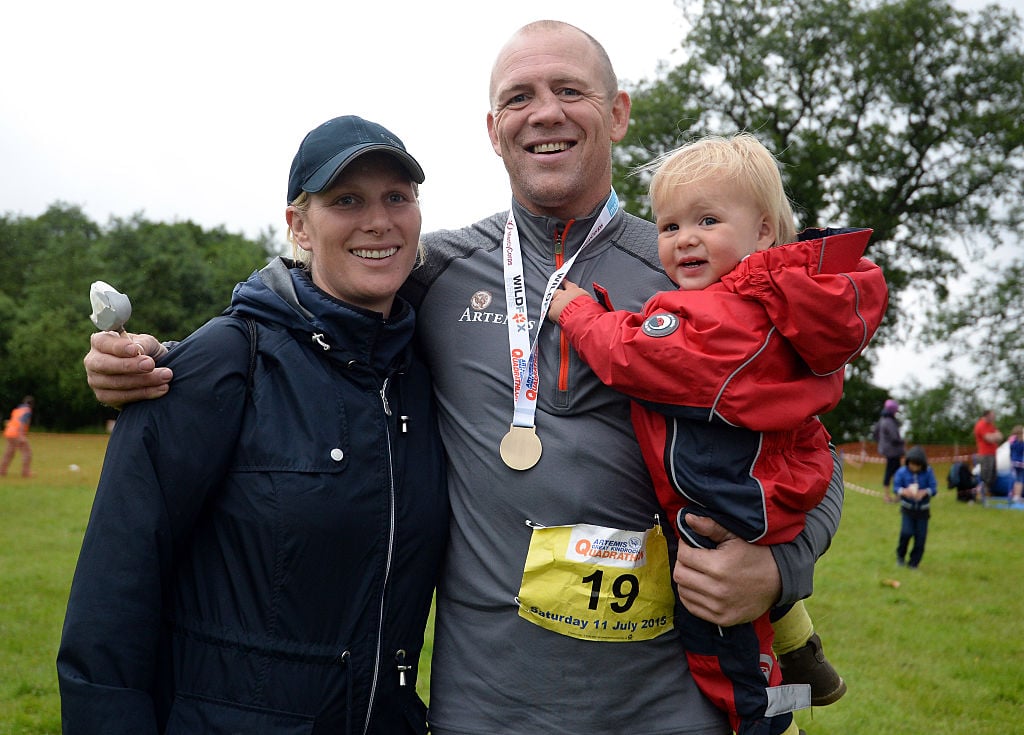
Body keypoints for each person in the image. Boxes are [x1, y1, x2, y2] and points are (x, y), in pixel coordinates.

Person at [82, 21, 847, 735]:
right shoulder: (439, 268)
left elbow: (810, 444)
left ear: (616, 113)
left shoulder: (696, 267)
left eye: (569, 91)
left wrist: (777, 567)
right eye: (519, 97)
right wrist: (164, 358)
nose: (543, 112)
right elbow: (308, 300)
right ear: (493, 130)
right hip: (482, 707)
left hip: (668, 704)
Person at [58, 115, 449, 734]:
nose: (378, 221)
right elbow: (113, 592)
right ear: (299, 225)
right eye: (346, 200)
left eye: (396, 198)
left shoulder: (425, 371)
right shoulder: (223, 359)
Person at [547, 133, 886, 735]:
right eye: (669, 225)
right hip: (767, 481)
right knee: (753, 618)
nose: (684, 239)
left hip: (722, 504)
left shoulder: (726, 314)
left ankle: (774, 720)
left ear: (762, 232)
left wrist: (579, 312)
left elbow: (635, 354)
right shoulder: (770, 300)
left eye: (707, 219)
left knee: (723, 660)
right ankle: (802, 652)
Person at [892, 446, 938, 569]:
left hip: (923, 511)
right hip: (907, 509)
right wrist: (904, 491)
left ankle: (914, 563)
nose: (914, 467)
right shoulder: (902, 472)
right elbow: (896, 487)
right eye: (912, 464)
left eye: (917, 465)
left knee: (920, 538)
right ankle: (900, 557)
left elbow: (934, 488)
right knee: (906, 533)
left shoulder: (928, 472)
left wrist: (924, 492)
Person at [875, 398, 905, 498]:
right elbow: (894, 438)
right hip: (893, 452)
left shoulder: (882, 420)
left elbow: (876, 434)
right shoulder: (890, 422)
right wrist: (903, 442)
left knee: (892, 472)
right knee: (894, 473)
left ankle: (894, 495)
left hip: (887, 450)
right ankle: (889, 496)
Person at [973, 409, 1003, 503]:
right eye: (992, 415)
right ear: (987, 415)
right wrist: (994, 436)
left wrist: (993, 436)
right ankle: (980, 494)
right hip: (985, 454)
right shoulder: (981, 425)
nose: (994, 417)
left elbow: (1000, 436)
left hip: (993, 453)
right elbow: (988, 438)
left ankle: (987, 493)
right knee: (986, 475)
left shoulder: (991, 425)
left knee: (992, 475)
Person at [0, 395, 34, 478]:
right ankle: (26, 472)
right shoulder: (27, 411)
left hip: (9, 432)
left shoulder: (18, 409)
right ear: (32, 404)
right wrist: (22, 435)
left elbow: (11, 420)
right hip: (17, 433)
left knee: (9, 453)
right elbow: (22, 423)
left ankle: (2, 471)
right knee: (27, 452)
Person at [1009, 425, 1024, 505]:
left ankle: (1015, 495)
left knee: (1016, 479)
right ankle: (1017, 496)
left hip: (1014, 462)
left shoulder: (1012, 442)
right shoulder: (1021, 442)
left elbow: (1011, 452)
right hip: (1021, 463)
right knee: (1020, 480)